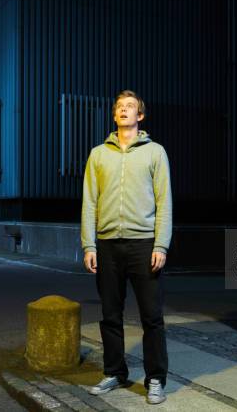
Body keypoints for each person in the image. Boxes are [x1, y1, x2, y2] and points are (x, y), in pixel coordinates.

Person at [81, 89, 172, 405]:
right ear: (114, 115)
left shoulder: (155, 153)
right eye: (119, 106)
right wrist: (88, 244)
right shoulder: (98, 155)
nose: (123, 110)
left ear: (140, 116)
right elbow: (90, 201)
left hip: (144, 245)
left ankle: (156, 378)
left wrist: (161, 244)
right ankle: (115, 373)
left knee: (151, 317)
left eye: (130, 106)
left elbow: (164, 201)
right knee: (110, 314)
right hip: (106, 246)